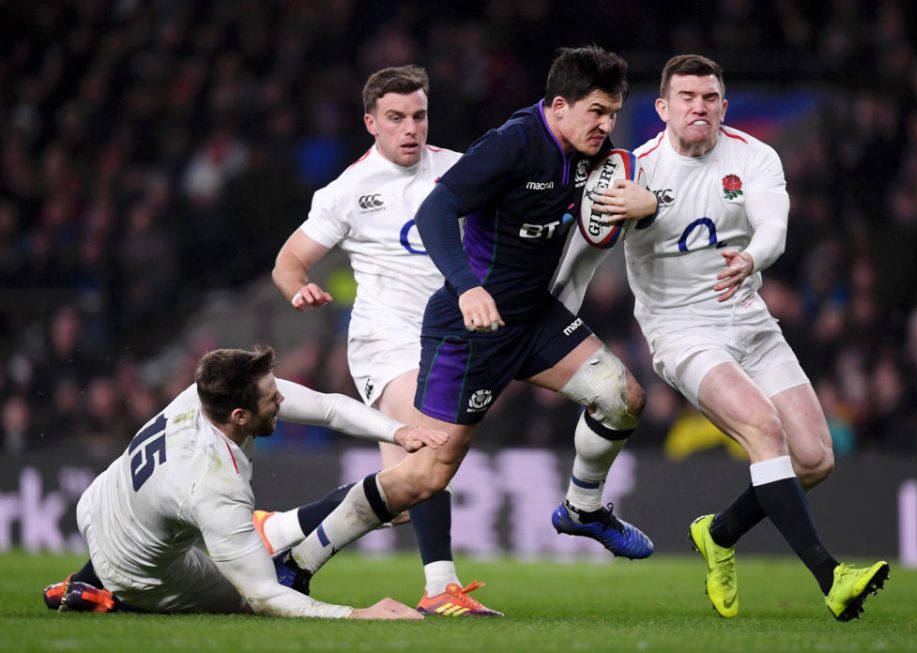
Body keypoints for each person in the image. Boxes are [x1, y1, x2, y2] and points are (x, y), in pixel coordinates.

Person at [266, 46, 661, 595]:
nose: (607, 125)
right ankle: (298, 557)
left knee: (623, 396)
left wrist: (650, 205)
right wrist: (468, 287)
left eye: (613, 113)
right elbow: (434, 211)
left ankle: (583, 510)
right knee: (424, 474)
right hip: (465, 330)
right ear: (561, 105)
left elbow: (618, 195)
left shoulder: (582, 149)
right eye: (598, 111)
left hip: (530, 316)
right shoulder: (510, 144)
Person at [553, 54, 889, 621]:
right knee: (763, 427)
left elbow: (774, 229)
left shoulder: (755, 156)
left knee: (814, 458)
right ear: (663, 108)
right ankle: (831, 576)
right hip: (681, 330)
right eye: (686, 97)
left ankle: (720, 533)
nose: (699, 107)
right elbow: (582, 255)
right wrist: (552, 329)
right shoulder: (629, 169)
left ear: (723, 106)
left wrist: (750, 257)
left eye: (709, 98)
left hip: (749, 318)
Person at [271, 65, 500, 617]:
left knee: (403, 493)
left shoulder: (458, 171)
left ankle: (280, 530)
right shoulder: (348, 190)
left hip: (447, 339)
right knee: (429, 440)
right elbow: (288, 262)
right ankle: (441, 586)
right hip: (386, 340)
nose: (410, 128)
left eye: (418, 116)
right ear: (371, 122)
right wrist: (299, 288)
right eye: (396, 118)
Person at [41, 346, 448, 618]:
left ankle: (82, 583)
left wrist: (400, 433)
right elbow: (263, 596)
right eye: (272, 399)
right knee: (243, 598)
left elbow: (326, 408)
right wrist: (359, 615)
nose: (282, 401)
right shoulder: (213, 481)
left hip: (97, 503)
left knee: (234, 540)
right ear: (239, 415)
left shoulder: (206, 393)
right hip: (134, 571)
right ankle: (108, 597)